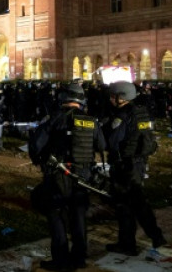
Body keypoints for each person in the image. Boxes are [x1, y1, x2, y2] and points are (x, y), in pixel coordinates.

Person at [27, 83, 105, 270]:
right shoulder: (90, 121)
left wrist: (40, 160)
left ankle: (60, 259)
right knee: (78, 216)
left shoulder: (55, 119)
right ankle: (79, 257)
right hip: (83, 175)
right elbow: (101, 145)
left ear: (63, 98)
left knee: (56, 215)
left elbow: (36, 145)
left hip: (58, 174)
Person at [103, 81, 166, 257]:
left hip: (125, 164)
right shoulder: (141, 113)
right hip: (139, 162)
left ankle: (127, 244)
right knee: (138, 201)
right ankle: (155, 235)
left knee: (124, 205)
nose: (111, 99)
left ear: (120, 98)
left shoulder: (122, 116)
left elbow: (112, 142)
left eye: (113, 96)